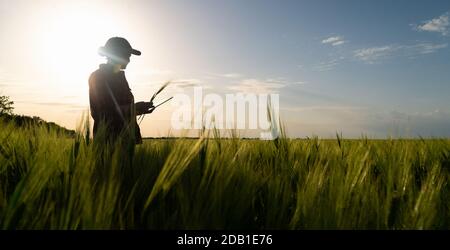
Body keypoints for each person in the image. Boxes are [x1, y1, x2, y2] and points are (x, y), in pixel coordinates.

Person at [89, 37, 154, 144]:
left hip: (126, 142)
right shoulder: (98, 77)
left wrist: (139, 110)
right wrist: (134, 108)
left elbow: (120, 110)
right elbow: (102, 113)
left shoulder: (119, 77)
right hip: (109, 142)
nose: (129, 60)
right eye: (126, 55)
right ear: (115, 54)